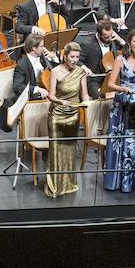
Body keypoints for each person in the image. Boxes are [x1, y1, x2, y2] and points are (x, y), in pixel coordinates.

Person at [102, 29, 135, 193]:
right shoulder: (120, 59)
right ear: (129, 43)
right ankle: (120, 181)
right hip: (123, 104)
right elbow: (111, 84)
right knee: (123, 141)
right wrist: (123, 88)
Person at [43, 42, 87, 198]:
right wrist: (61, 102)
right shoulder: (55, 71)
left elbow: (85, 94)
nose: (74, 60)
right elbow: (51, 95)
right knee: (56, 150)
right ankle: (55, 186)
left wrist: (87, 102)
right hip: (57, 115)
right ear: (65, 55)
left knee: (70, 150)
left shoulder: (80, 72)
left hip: (73, 115)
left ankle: (68, 184)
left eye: (77, 57)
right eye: (72, 57)